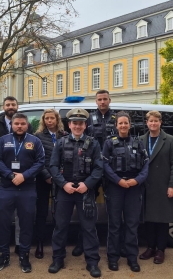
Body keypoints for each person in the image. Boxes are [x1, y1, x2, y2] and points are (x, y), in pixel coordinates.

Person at [48, 108, 103, 278]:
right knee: (60, 226)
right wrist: (64, 184)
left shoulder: (93, 144)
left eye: (81, 123)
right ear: (69, 125)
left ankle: (92, 262)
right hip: (66, 190)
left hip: (85, 191)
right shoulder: (60, 143)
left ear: (85, 125)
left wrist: (87, 184)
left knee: (89, 228)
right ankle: (58, 259)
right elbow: (53, 167)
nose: (78, 126)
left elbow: (99, 168)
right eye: (74, 123)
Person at [0, 113, 45, 273]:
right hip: (6, 187)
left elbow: (41, 161)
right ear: (12, 125)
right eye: (16, 124)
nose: (19, 126)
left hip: (27, 188)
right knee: (2, 223)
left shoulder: (35, 141)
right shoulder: (3, 140)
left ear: (27, 125)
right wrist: (9, 175)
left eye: (22, 124)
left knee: (26, 223)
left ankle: (24, 255)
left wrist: (24, 175)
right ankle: (4, 255)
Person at [102, 112, 149, 273]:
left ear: (130, 125)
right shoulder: (109, 143)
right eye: (120, 123)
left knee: (132, 224)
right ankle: (113, 258)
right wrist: (118, 180)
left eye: (125, 123)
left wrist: (137, 180)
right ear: (116, 126)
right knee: (114, 225)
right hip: (116, 187)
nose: (123, 126)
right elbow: (105, 165)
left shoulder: (138, 142)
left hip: (134, 187)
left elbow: (146, 165)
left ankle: (131, 258)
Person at [138, 110, 173, 265]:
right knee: (148, 219)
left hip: (163, 185)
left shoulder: (169, 140)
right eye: (150, 121)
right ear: (147, 123)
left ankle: (161, 250)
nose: (153, 123)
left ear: (160, 122)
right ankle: (150, 247)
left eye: (156, 121)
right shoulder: (141, 139)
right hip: (145, 185)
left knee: (162, 219)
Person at [0, 96, 33, 256]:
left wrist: (24, 174)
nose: (11, 106)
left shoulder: (26, 127)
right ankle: (1, 245)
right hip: (2, 176)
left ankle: (19, 244)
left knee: (21, 213)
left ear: (18, 106)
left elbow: (34, 152)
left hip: (24, 177)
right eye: (8, 104)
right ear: (3, 106)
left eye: (13, 104)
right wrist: (8, 174)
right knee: (1, 212)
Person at [80, 89, 118, 257]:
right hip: (92, 168)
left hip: (112, 168)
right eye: (99, 99)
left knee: (114, 208)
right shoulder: (88, 118)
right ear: (96, 101)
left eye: (105, 99)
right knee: (87, 206)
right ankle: (83, 242)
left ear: (110, 100)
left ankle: (116, 245)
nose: (102, 102)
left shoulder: (118, 118)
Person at [34, 109, 67, 259]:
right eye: (46, 118)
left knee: (59, 213)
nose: (49, 121)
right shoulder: (38, 137)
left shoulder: (65, 136)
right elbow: (37, 159)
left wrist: (59, 177)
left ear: (57, 119)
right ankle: (39, 243)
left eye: (52, 118)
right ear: (43, 120)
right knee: (41, 212)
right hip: (43, 179)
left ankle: (59, 246)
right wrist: (47, 175)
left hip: (62, 180)